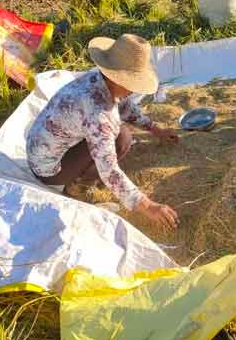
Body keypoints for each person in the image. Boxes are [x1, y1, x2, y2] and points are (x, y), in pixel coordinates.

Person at [26, 33, 179, 230]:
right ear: (117, 79)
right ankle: (77, 188)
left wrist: (156, 130)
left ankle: (80, 175)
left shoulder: (99, 79)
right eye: (131, 84)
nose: (133, 90)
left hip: (43, 147)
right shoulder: (99, 114)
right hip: (48, 168)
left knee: (121, 133)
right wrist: (148, 206)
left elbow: (125, 107)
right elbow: (109, 169)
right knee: (121, 139)